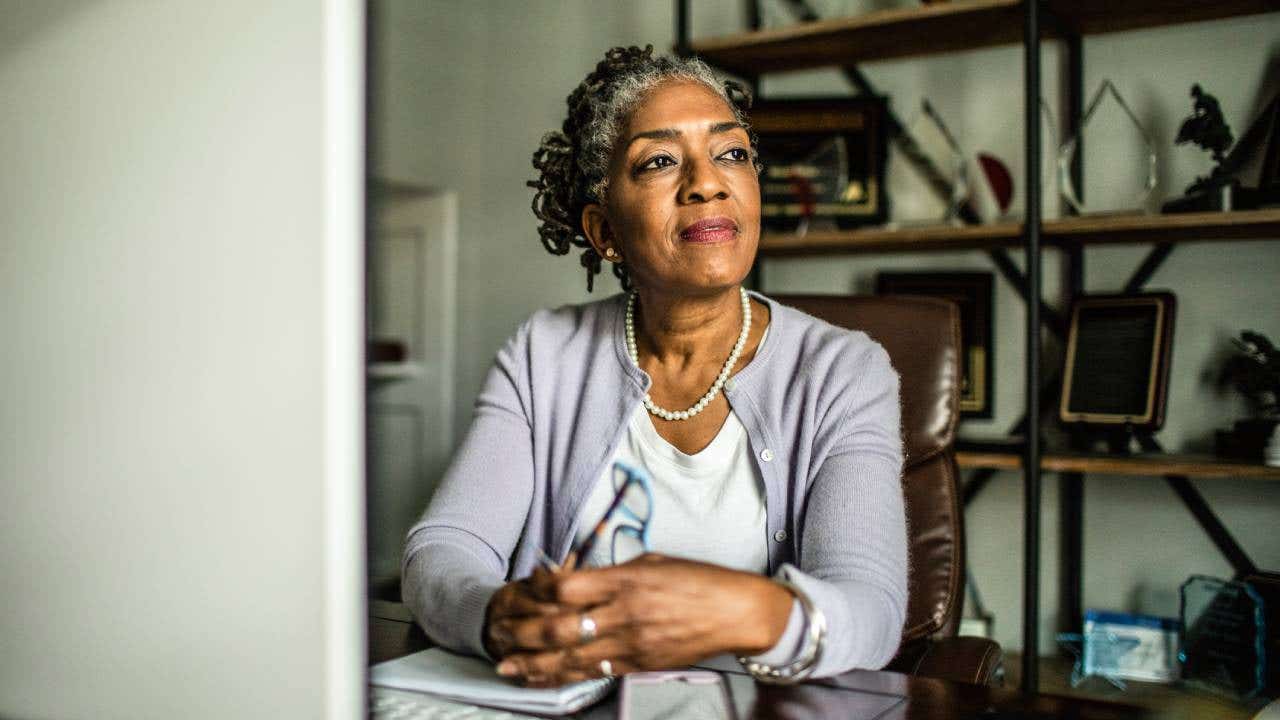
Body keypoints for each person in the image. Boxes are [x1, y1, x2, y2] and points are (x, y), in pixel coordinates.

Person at [402, 45, 906, 687]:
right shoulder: (543, 354)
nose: (707, 181)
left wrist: (739, 608)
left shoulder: (843, 370)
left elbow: (874, 614)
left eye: (732, 154)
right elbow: (442, 550)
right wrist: (497, 615)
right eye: (661, 161)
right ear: (604, 230)